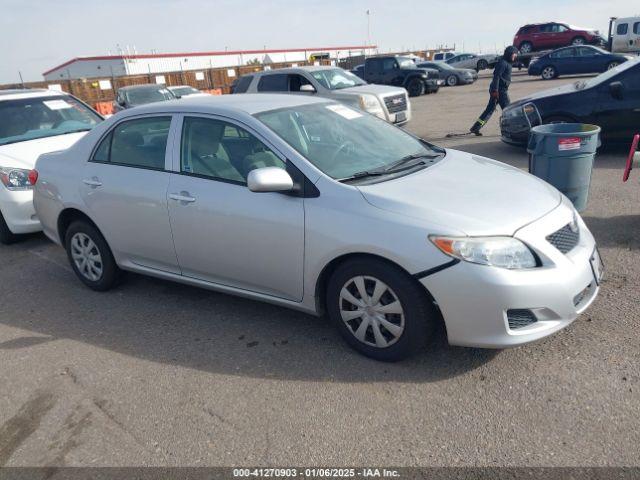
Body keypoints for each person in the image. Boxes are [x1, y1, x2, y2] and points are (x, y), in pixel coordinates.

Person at [469, 46, 518, 135]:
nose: (515, 57)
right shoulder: (502, 63)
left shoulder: (507, 62)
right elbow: (496, 77)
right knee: (508, 110)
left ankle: (476, 128)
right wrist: (495, 91)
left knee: (489, 110)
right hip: (499, 91)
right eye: (514, 55)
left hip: (498, 90)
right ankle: (512, 130)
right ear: (509, 54)